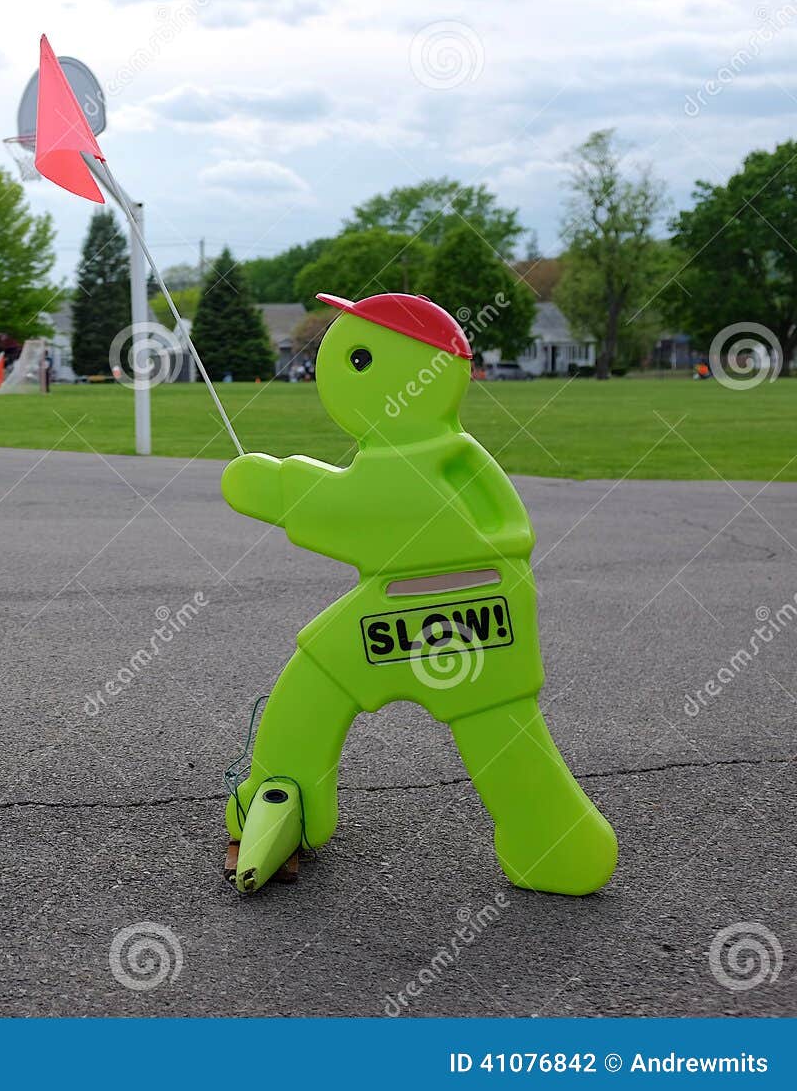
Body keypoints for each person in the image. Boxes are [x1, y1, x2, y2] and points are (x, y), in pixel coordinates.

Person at [221, 291, 616, 897]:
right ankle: (551, 835)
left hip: (433, 606)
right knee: (495, 730)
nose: (334, 372)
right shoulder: (452, 454)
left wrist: (270, 487)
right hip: (464, 607)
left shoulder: (416, 459)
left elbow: (350, 511)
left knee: (323, 684)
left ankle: (284, 791)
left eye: (357, 361)